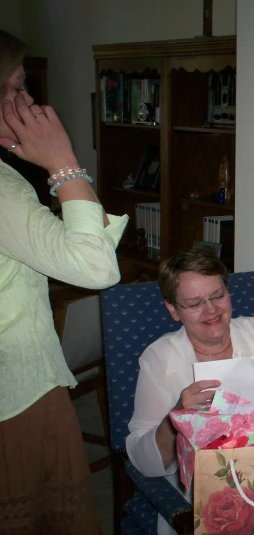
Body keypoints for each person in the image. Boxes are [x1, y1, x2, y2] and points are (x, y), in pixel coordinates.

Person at [0, 31, 127, 534]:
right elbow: (96, 269)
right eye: (17, 87)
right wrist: (62, 161)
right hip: (18, 393)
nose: (30, 102)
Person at [127, 247, 254, 535]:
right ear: (173, 310)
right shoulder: (158, 359)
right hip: (209, 495)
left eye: (218, 295)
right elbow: (143, 460)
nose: (211, 309)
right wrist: (175, 419)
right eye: (194, 303)